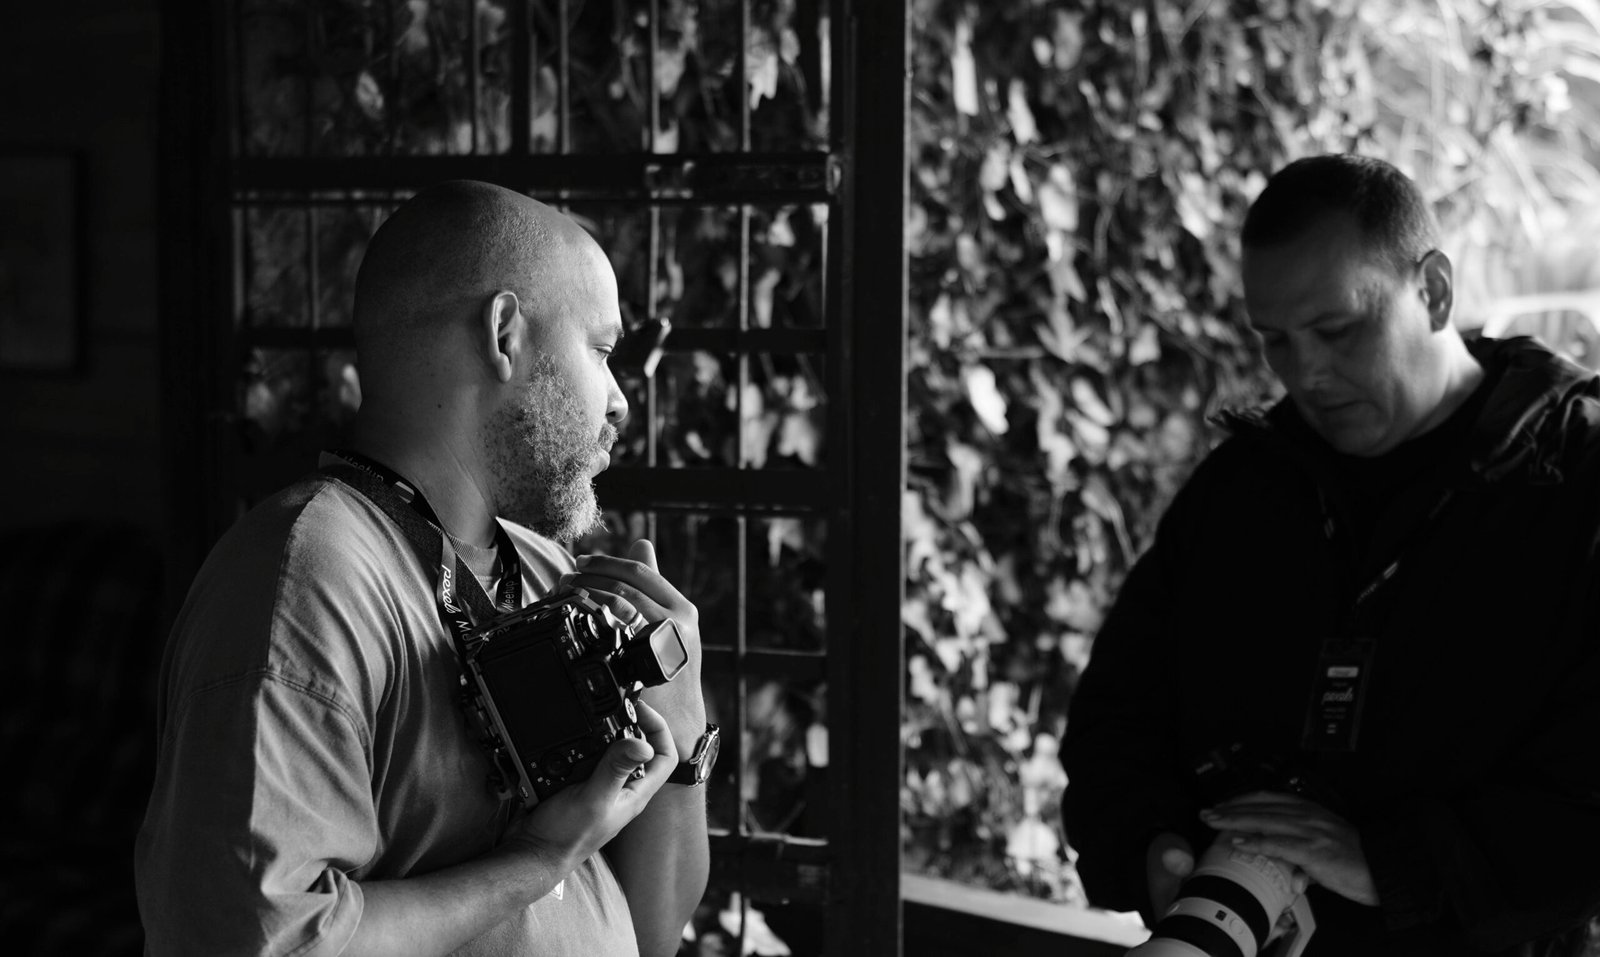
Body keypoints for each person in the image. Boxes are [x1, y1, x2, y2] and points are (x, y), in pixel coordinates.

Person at [135, 180, 713, 956]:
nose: (620, 402)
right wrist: (537, 861)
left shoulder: (551, 575)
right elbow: (265, 941)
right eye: (603, 351)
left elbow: (650, 933)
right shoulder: (307, 578)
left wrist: (683, 739)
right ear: (505, 332)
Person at [1061, 154, 1600, 955]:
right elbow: (1113, 721)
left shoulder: (1576, 478)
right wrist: (1158, 854)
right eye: (1275, 340)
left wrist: (1395, 863)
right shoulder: (1248, 482)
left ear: (1434, 292)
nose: (1305, 373)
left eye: (1338, 329)